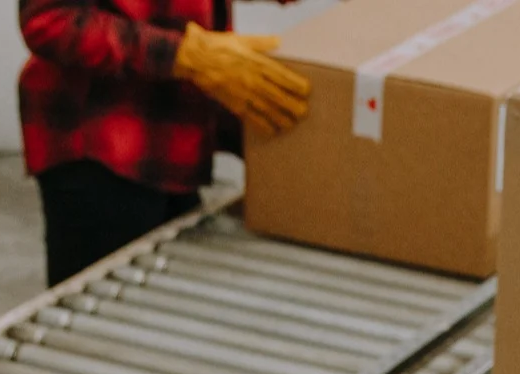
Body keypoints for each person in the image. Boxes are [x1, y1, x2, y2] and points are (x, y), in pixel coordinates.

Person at [17, 0, 308, 286]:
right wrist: (182, 54)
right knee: (102, 314)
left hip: (170, 143)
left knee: (162, 300)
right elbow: (49, 21)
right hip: (101, 147)